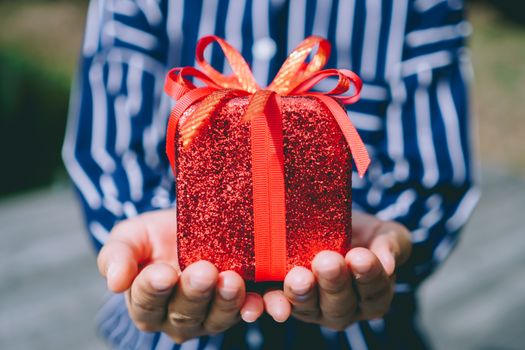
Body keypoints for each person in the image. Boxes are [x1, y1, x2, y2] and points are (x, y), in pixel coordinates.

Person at [63, 0, 479, 349]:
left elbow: (433, 178)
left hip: (365, 333)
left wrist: (383, 248)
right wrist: (156, 240)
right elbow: (107, 151)